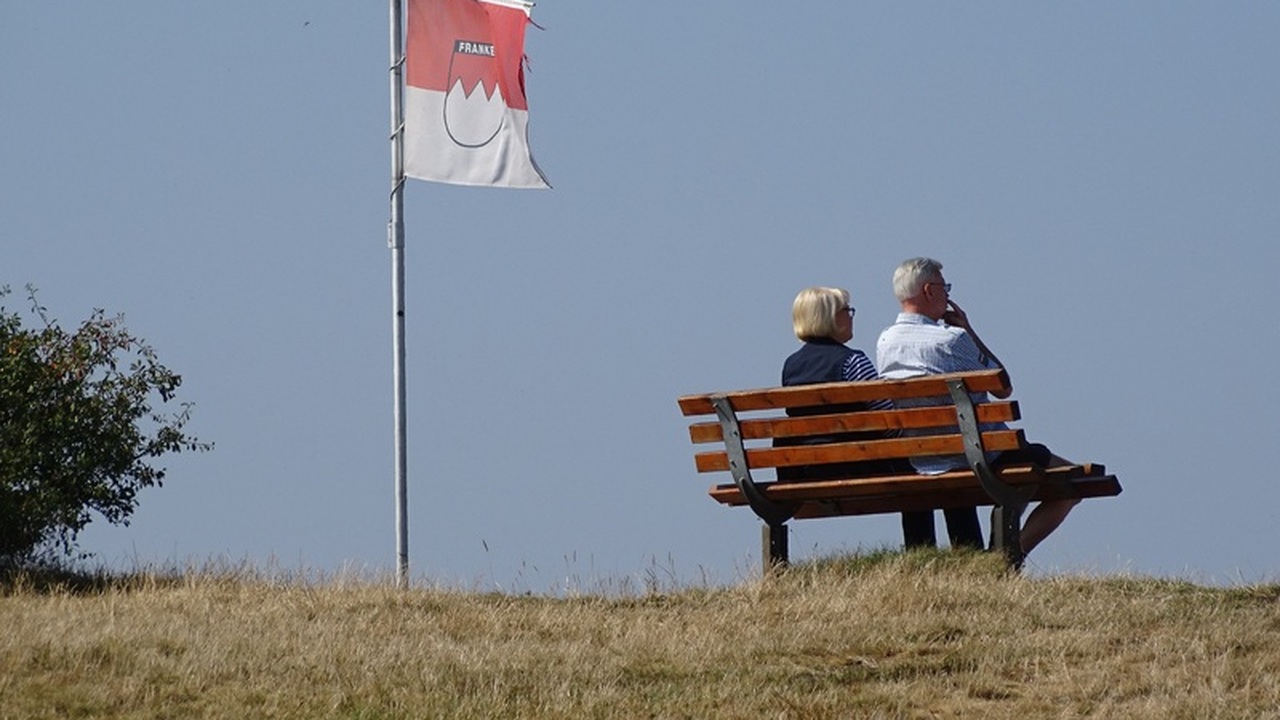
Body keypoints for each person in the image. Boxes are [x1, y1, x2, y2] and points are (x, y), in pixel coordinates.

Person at [875, 258, 1079, 555]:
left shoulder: (885, 342)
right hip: (977, 453)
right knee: (1070, 481)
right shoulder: (951, 339)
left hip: (920, 456)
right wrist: (969, 329)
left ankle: (994, 553)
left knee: (1019, 476)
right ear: (930, 290)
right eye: (945, 288)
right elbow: (1003, 386)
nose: (948, 295)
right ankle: (1008, 556)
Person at [779, 286, 936, 549]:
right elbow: (889, 423)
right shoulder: (854, 362)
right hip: (858, 465)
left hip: (807, 470)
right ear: (828, 316)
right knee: (918, 467)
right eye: (846, 310)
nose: (852, 316)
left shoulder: (790, 366)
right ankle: (921, 550)